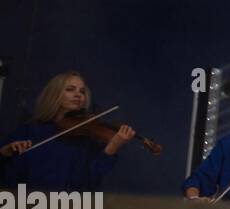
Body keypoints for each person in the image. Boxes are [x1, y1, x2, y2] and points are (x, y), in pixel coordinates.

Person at [0, 71, 136, 191]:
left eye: (82, 91)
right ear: (55, 94)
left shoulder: (86, 138)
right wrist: (5, 153)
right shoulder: (29, 130)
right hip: (25, 208)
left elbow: (90, 183)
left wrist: (112, 147)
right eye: (70, 89)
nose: (78, 95)